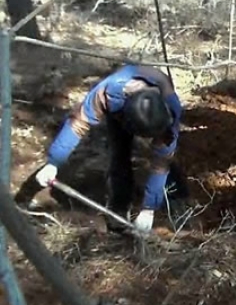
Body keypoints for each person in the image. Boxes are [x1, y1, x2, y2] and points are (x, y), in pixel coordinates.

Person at [35, 65, 189, 232]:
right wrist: (53, 162)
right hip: (121, 110)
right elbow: (78, 124)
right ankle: (120, 207)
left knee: (165, 155)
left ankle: (177, 197)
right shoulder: (107, 95)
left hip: (155, 111)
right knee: (120, 152)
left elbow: (161, 162)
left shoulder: (170, 109)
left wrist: (149, 209)